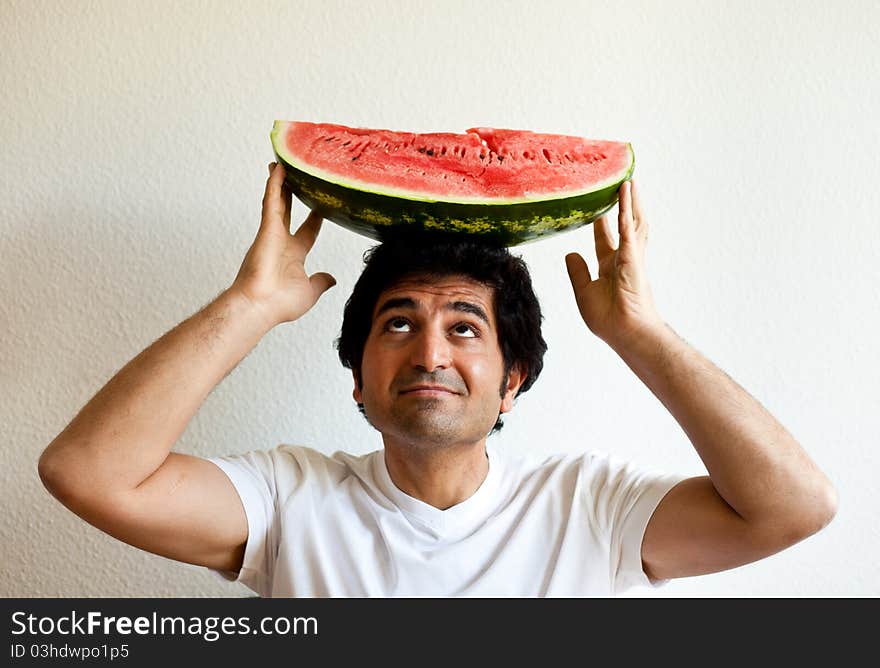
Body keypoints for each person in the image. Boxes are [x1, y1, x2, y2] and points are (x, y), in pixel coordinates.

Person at [38, 162, 838, 597]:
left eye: (465, 326)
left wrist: (641, 332)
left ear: (512, 379)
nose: (429, 353)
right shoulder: (288, 500)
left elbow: (795, 508)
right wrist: (251, 304)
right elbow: (88, 474)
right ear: (357, 380)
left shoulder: (591, 508)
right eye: (397, 324)